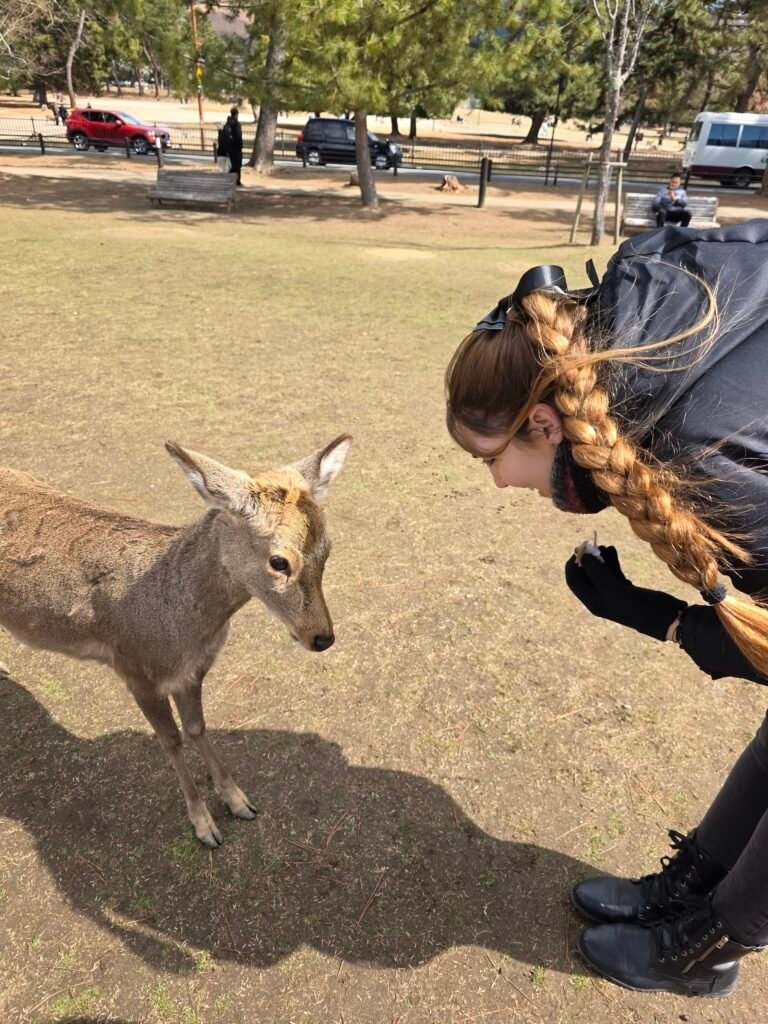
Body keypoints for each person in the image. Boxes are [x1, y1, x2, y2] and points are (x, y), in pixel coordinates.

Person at [444, 222, 768, 998]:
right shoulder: (651, 330)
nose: (496, 484)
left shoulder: (689, 445)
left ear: (546, 424)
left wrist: (663, 619)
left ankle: (707, 947)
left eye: (494, 460)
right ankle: (690, 890)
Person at [221, 106, 243, 186]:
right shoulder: (236, 124)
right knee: (237, 165)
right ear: (236, 114)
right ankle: (237, 180)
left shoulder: (227, 124)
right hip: (236, 148)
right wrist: (240, 145)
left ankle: (230, 179)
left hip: (229, 148)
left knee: (232, 164)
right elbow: (238, 136)